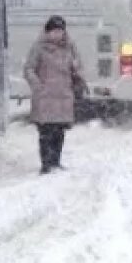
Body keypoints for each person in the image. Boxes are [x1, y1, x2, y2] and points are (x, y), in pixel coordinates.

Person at [24, 15, 85, 174]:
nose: (57, 34)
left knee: (59, 131)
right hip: (45, 97)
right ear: (48, 32)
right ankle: (46, 164)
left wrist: (77, 75)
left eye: (60, 31)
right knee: (46, 132)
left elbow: (77, 66)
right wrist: (38, 86)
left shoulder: (70, 47)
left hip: (63, 96)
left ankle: (56, 162)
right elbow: (29, 69)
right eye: (54, 31)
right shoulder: (39, 48)